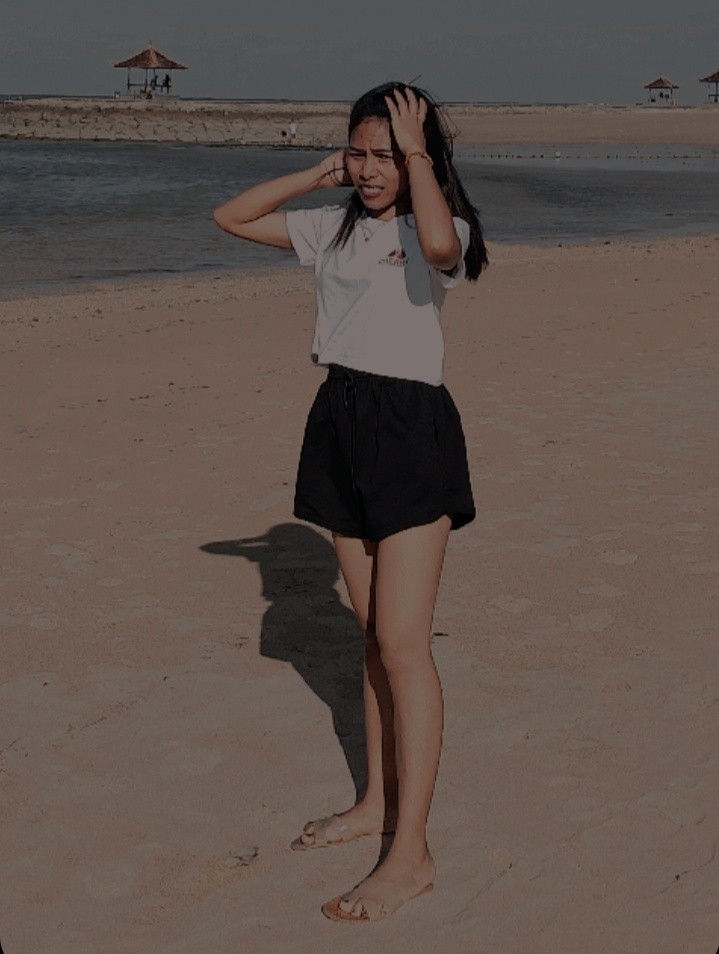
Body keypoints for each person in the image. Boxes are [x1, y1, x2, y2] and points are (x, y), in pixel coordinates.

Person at [213, 81, 488, 923]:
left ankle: (412, 854)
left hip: (409, 428)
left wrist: (415, 156)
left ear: (419, 159)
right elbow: (231, 216)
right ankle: (376, 804)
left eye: (385, 156)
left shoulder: (438, 227)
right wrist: (317, 172)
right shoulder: (333, 228)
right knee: (371, 637)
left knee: (403, 644)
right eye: (359, 154)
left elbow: (438, 243)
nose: (369, 171)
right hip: (339, 418)